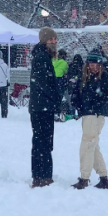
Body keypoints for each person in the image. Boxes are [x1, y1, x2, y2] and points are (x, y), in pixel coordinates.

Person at [71, 50, 108, 189]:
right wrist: (78, 104)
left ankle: (84, 178)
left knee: (87, 145)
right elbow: (76, 93)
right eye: (91, 63)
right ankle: (104, 177)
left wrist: (101, 98)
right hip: (88, 114)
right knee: (92, 146)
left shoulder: (105, 78)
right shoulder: (83, 78)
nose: (94, 66)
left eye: (96, 64)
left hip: (97, 114)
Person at [29, 27, 62, 188]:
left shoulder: (42, 56)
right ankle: (42, 176)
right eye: (51, 39)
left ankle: (41, 175)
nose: (54, 42)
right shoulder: (42, 58)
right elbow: (44, 83)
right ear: (44, 41)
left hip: (41, 105)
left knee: (41, 141)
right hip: (42, 106)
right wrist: (56, 98)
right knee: (43, 142)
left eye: (55, 39)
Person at [52, 49, 69, 120]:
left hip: (51, 80)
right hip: (59, 81)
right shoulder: (64, 63)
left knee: (52, 98)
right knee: (59, 98)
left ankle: (51, 113)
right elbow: (66, 72)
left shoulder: (52, 61)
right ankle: (56, 113)